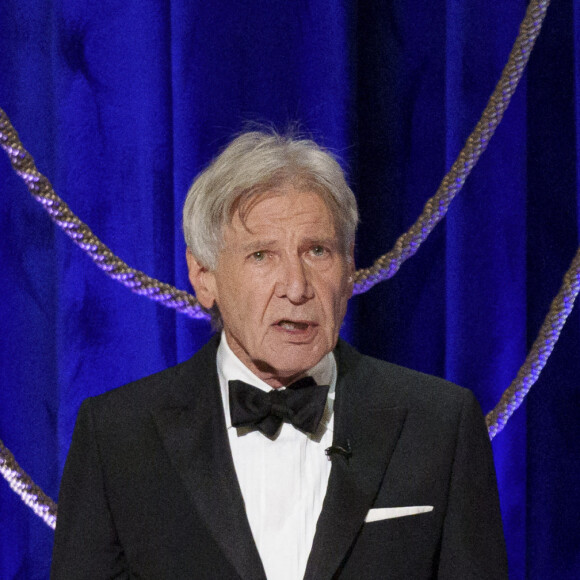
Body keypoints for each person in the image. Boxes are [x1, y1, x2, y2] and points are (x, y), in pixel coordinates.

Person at [51, 131, 508, 579]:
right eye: (261, 256)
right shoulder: (117, 439)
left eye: (317, 251)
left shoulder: (440, 426)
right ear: (203, 274)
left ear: (349, 266)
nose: (296, 286)